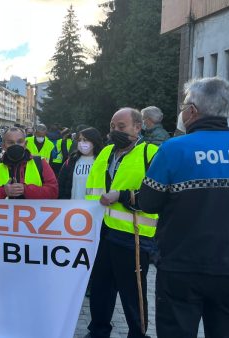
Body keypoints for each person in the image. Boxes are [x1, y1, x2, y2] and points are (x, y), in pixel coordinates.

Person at [138, 78, 229, 337]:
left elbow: (148, 203)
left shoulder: (173, 149)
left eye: (184, 105)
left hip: (181, 268)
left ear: (193, 111)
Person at [84, 108, 158, 338]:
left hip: (133, 236)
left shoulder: (151, 153)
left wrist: (123, 196)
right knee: (100, 289)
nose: (115, 131)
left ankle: (138, 334)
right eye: (112, 126)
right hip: (102, 233)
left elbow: (154, 195)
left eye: (121, 126)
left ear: (138, 127)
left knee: (133, 293)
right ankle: (97, 332)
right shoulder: (105, 152)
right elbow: (92, 190)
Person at [0, 127, 58, 199]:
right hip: (3, 213)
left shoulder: (40, 163)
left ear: (25, 144)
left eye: (20, 142)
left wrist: (25, 189)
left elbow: (54, 192)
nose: (16, 145)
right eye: (10, 142)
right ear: (3, 146)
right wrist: (3, 191)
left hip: (33, 213)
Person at [57, 127, 103, 199]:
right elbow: (61, 185)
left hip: (94, 207)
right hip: (73, 207)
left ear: (94, 142)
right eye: (80, 140)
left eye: (85, 140)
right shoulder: (71, 161)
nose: (81, 143)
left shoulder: (102, 161)